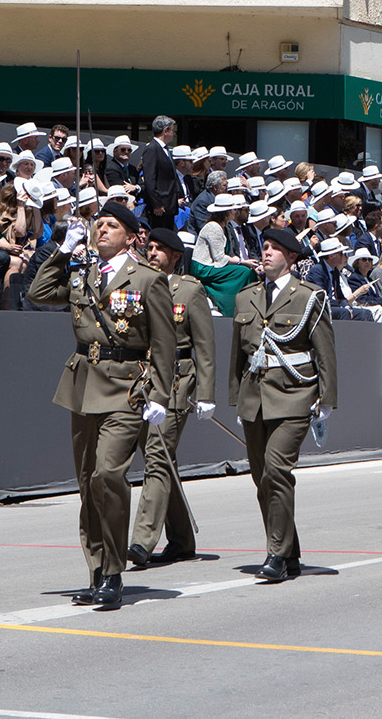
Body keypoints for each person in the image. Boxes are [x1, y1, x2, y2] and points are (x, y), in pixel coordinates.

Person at [28, 202, 176, 611]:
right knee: (88, 481)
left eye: (112, 226)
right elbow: (38, 293)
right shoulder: (83, 273)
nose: (102, 231)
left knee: (109, 474)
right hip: (83, 383)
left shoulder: (148, 279)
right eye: (99, 225)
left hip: (127, 387)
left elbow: (163, 342)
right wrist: (61, 250)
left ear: (131, 236)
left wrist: (161, 395)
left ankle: (113, 571)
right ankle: (96, 572)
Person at [229, 226, 337, 583]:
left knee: (277, 471)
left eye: (276, 248)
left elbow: (325, 351)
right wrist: (234, 396)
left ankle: (275, 551)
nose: (267, 252)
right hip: (255, 397)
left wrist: (327, 397)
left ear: (292, 258)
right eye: (266, 246)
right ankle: (290, 552)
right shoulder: (246, 297)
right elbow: (237, 354)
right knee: (262, 479)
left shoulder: (309, 296)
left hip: (294, 393)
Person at [127, 226, 216, 570]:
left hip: (177, 381)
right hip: (142, 381)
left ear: (176, 256)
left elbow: (205, 348)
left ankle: (142, 540)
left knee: (156, 457)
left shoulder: (189, 290)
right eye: (150, 247)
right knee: (164, 459)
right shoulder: (138, 286)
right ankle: (181, 539)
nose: (152, 253)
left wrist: (206, 393)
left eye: (160, 249)